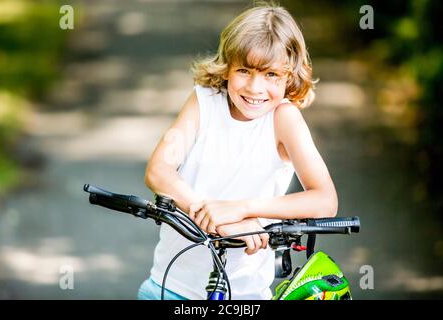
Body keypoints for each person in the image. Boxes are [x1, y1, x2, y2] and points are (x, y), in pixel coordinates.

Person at [138, 3, 338, 300]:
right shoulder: (204, 102)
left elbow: (324, 200)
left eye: (271, 74)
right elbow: (159, 170)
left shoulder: (284, 119)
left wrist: (243, 211)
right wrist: (215, 217)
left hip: (243, 294)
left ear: (289, 77)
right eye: (244, 70)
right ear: (227, 68)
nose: (255, 87)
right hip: (168, 286)